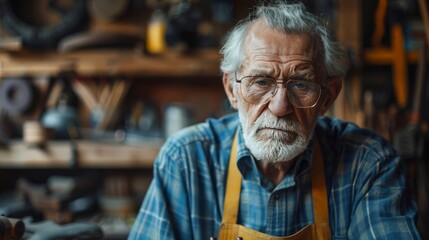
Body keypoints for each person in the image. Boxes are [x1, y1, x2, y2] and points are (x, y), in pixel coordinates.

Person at [128, 2, 421, 239]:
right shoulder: (186, 161)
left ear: (328, 96)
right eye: (260, 82)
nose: (280, 107)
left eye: (301, 85)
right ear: (232, 89)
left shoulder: (368, 164)